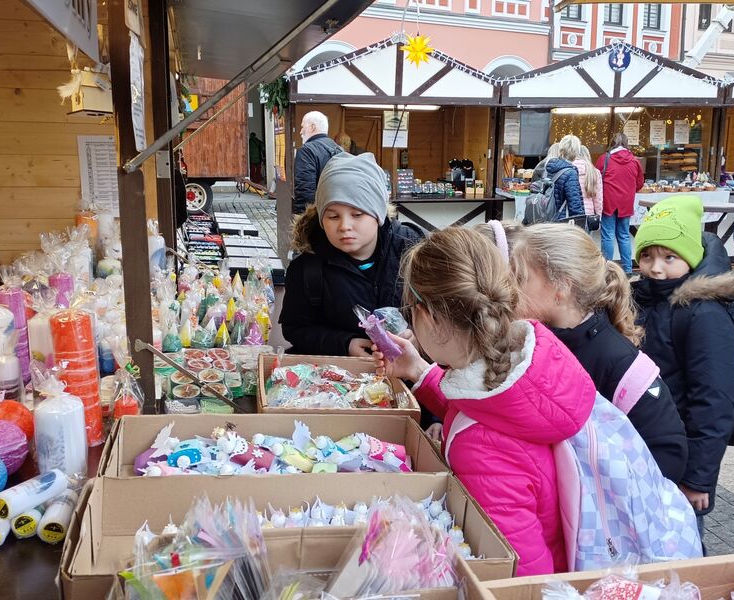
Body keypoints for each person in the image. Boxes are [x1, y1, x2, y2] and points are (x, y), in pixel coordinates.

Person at [372, 226, 596, 575]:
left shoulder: (478, 450)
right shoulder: (525, 359)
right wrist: (419, 371)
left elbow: (521, 574)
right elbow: (486, 409)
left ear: (427, 316)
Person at [484, 222, 687, 484]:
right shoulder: (530, 342)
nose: (509, 290)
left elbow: (668, 455)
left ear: (561, 288)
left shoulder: (619, 362)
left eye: (519, 278)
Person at [632, 195, 734, 537]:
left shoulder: (705, 313)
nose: (656, 268)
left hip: (682, 458)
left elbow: (715, 402)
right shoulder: (646, 297)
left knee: (682, 542)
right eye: (647, 256)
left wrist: (698, 479)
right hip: (649, 448)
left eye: (669, 257)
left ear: (691, 256)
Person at [280, 152, 422, 356]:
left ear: (378, 214)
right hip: (344, 371)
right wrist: (345, 344)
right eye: (333, 216)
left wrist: (420, 337)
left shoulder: (414, 251)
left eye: (357, 214)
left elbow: (448, 312)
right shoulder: (307, 268)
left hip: (413, 369)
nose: (344, 226)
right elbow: (295, 329)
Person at [595, 133, 644, 273]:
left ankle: (608, 270)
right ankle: (628, 270)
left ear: (612, 143)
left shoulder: (604, 159)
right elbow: (639, 183)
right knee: (624, 235)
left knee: (608, 236)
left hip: (608, 202)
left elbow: (596, 180)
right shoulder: (635, 161)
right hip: (626, 203)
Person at [292, 111, 342, 214]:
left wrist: (302, 218)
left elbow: (305, 191)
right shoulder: (339, 149)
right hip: (334, 211)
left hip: (316, 213)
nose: (301, 132)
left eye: (303, 127)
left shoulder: (307, 151)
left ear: (312, 127)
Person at [559, 136, 603, 217]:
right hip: (588, 213)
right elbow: (598, 199)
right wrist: (598, 216)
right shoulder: (594, 172)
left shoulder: (565, 169)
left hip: (568, 213)